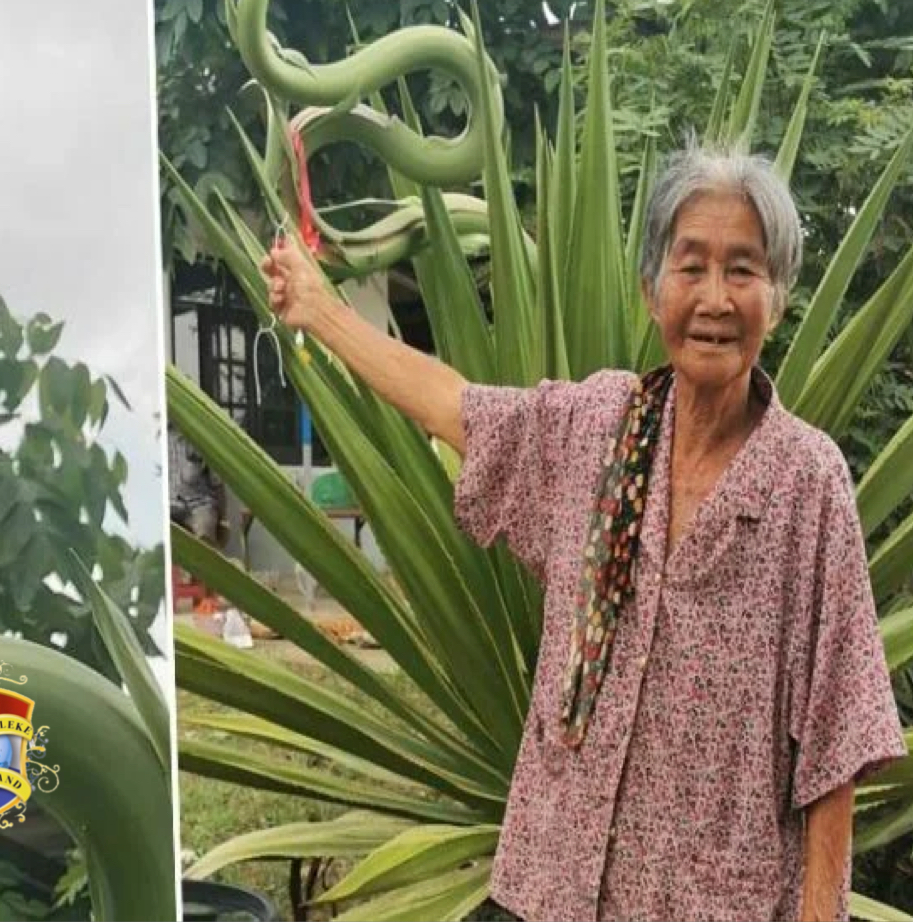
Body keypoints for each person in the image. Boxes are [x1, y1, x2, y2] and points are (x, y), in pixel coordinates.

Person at [259, 141, 906, 922]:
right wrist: (318, 309)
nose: (713, 297)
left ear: (777, 294)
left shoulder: (807, 482)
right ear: (648, 288)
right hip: (553, 886)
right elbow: (452, 404)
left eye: (743, 269)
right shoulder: (595, 428)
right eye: (689, 264)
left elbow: (835, 740)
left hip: (710, 902)